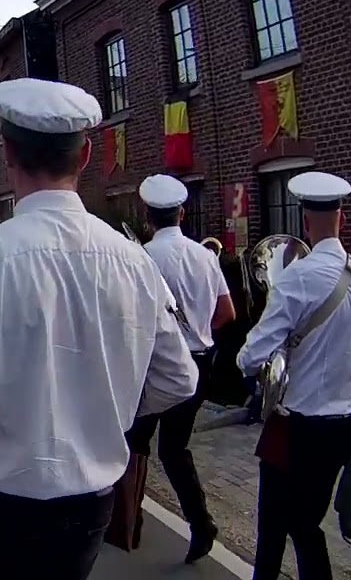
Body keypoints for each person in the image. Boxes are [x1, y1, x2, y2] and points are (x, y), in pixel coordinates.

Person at [0, 79, 196, 580]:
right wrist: (107, 406)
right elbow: (179, 379)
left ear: (8, 153)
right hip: (89, 505)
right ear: (84, 158)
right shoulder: (136, 263)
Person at [236, 171, 351, 580]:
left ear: (304, 221)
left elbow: (252, 357)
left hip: (293, 428)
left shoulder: (298, 277)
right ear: (344, 219)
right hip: (340, 429)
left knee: (272, 531)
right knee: (306, 526)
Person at [125, 174, 234, 563]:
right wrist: (199, 333)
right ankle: (201, 525)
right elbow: (227, 314)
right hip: (199, 365)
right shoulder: (205, 256)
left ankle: (127, 521)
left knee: (134, 443)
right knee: (174, 449)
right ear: (182, 213)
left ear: (146, 214)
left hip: (156, 365)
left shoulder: (141, 257)